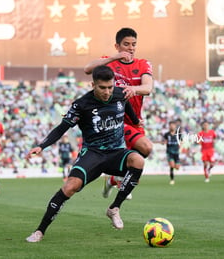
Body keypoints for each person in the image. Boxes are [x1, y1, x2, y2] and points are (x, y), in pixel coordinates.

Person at [25, 65, 144, 243]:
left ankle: (114, 208)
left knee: (138, 161)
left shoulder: (120, 94)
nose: (107, 92)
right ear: (93, 85)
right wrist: (42, 146)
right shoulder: (82, 105)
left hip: (116, 153)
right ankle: (40, 231)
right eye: (102, 88)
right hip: (93, 154)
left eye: (110, 87)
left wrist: (136, 121)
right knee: (69, 187)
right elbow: (61, 128)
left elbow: (126, 108)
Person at [84, 27, 153, 198]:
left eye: (133, 44)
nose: (130, 48)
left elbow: (147, 87)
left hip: (134, 119)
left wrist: (133, 89)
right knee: (145, 147)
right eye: (126, 44)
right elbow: (87, 69)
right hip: (114, 121)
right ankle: (117, 182)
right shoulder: (110, 62)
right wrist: (114, 57)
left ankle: (113, 180)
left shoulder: (143, 64)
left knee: (142, 154)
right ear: (117, 46)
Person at [163, 119, 182, 185]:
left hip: (176, 152)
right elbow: (164, 142)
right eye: (170, 125)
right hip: (169, 152)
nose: (172, 126)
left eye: (173, 125)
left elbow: (181, 142)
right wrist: (164, 142)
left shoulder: (178, 134)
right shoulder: (166, 134)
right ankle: (172, 179)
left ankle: (174, 166)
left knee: (177, 167)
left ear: (175, 126)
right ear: (169, 126)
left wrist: (180, 146)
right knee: (172, 165)